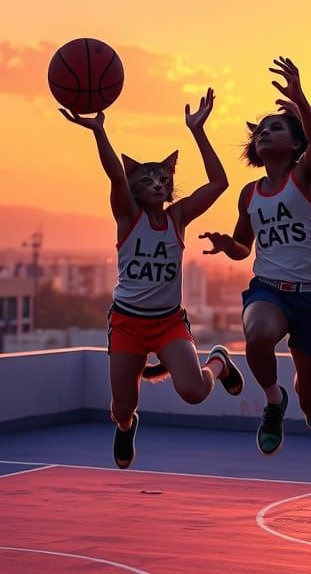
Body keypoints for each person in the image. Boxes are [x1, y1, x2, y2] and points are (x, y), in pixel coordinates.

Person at [60, 88, 242, 469]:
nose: (159, 183)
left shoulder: (177, 218)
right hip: (127, 322)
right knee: (122, 408)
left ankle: (220, 364)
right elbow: (113, 173)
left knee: (193, 391)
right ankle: (127, 427)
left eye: (164, 178)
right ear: (135, 185)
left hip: (167, 322)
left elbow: (219, 183)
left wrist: (198, 131)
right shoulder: (127, 214)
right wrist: (98, 132)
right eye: (149, 179)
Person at [199, 57, 311, 456]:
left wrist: (298, 99)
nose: (263, 133)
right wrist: (229, 244)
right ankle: (274, 401)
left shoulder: (307, 175)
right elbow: (244, 250)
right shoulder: (249, 193)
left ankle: (300, 396)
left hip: (310, 297)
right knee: (256, 334)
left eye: (275, 127)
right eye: (259, 130)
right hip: (269, 291)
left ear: (295, 144)